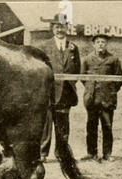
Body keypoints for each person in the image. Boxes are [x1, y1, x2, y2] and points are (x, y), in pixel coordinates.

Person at [39, 13, 81, 162]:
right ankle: (42, 153)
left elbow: (77, 69)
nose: (59, 30)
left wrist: (68, 85)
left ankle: (62, 153)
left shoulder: (73, 47)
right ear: (52, 28)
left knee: (63, 124)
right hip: (49, 92)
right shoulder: (44, 46)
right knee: (46, 124)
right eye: (57, 27)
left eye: (62, 26)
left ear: (67, 28)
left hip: (66, 93)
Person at [81, 34, 122, 162]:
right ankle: (91, 153)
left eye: (103, 42)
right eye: (98, 42)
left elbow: (119, 78)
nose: (100, 44)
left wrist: (110, 90)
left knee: (107, 126)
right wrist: (90, 89)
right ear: (93, 44)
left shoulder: (113, 59)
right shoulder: (87, 59)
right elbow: (83, 77)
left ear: (106, 44)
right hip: (92, 99)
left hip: (107, 99)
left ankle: (107, 154)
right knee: (91, 126)